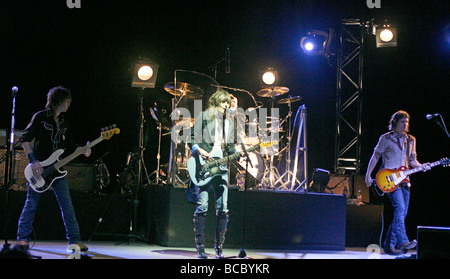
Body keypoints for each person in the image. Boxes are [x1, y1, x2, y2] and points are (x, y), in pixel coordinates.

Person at [16, 86, 91, 251]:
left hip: (57, 170)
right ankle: (23, 239)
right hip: (40, 169)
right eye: (68, 101)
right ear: (60, 100)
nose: (69, 105)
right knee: (31, 203)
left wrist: (83, 149)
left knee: (67, 205)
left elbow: (69, 145)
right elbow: (25, 139)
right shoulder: (41, 117)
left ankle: (74, 240)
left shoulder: (63, 121)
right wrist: (33, 161)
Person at [365, 110, 430, 255]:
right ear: (395, 123)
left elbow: (412, 160)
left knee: (402, 213)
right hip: (389, 179)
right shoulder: (386, 138)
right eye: (402, 121)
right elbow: (375, 156)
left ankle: (388, 244)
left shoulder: (411, 139)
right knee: (400, 209)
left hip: (405, 180)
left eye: (407, 122)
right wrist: (368, 175)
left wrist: (422, 167)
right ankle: (403, 241)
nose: (405, 124)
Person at [188, 89, 238, 259]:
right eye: (224, 102)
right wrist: (199, 150)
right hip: (203, 165)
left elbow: (230, 148)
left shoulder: (229, 122)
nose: (226, 106)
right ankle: (200, 247)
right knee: (202, 205)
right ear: (217, 101)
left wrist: (239, 152)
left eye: (228, 103)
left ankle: (219, 248)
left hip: (221, 167)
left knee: (223, 208)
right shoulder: (204, 116)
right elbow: (191, 139)